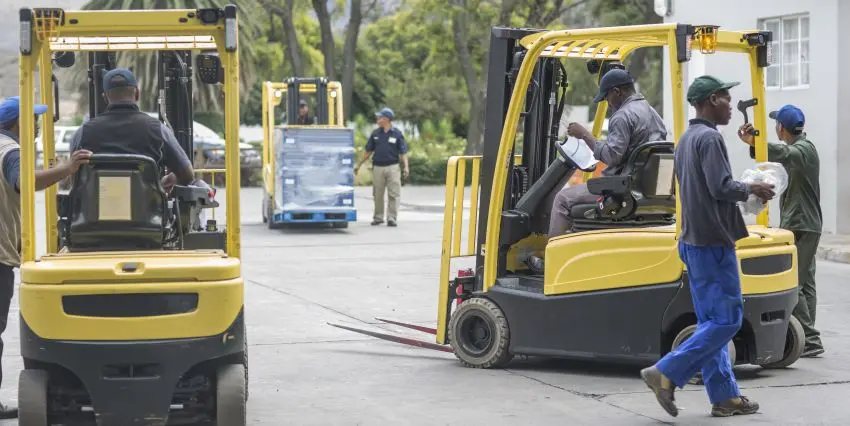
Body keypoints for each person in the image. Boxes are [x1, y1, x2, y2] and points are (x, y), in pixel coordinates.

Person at [640, 75, 776, 418]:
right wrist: (752, 189)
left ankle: (725, 396)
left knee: (710, 324)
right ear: (711, 100)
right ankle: (666, 372)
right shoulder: (710, 138)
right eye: (727, 99)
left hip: (692, 241)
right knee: (728, 322)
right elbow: (720, 187)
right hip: (713, 242)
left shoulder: (686, 139)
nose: (732, 105)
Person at [0, 96, 92, 419]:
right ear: (18, 124)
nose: (38, 126)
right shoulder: (10, 151)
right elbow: (23, 182)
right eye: (34, 120)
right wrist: (66, 169)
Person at [525, 68, 667, 273]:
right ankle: (574, 254)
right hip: (644, 189)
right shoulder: (651, 112)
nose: (608, 104)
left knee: (562, 200)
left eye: (607, 97)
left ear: (617, 91)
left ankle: (552, 265)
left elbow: (611, 156)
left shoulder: (622, 116)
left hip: (621, 189)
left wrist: (585, 135)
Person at [738, 105, 824, 357]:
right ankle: (807, 335)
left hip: (800, 223)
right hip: (806, 223)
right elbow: (776, 157)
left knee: (794, 280)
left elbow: (782, 153)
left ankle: (809, 338)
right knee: (805, 281)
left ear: (781, 128)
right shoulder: (802, 149)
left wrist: (753, 141)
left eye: (776, 124)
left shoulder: (803, 150)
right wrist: (754, 143)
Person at [71, 68, 195, 191]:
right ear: (137, 94)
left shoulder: (83, 133)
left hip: (95, 209)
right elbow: (188, 175)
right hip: (148, 210)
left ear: (105, 98)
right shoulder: (159, 130)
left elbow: (75, 178)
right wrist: (165, 181)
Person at [354, 107, 409, 227]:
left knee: (394, 193)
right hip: (378, 167)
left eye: (380, 117)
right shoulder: (375, 134)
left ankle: (392, 217)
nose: (377, 119)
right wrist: (358, 165)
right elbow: (368, 152)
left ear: (387, 119)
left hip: (393, 167)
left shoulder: (397, 134)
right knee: (377, 194)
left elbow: (403, 152)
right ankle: (378, 217)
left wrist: (406, 167)